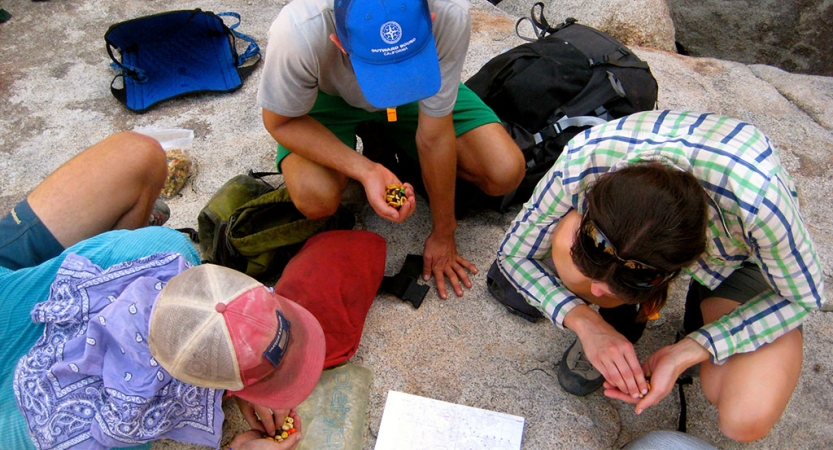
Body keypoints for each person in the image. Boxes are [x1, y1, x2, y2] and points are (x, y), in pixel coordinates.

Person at [496, 110, 825, 442]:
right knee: (570, 254)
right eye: (597, 243)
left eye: (637, 276)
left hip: (740, 257)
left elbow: (804, 294)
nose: (596, 289)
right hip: (672, 236)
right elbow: (513, 253)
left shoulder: (760, 202)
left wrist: (696, 347)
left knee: (744, 418)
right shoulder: (588, 155)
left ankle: (700, 306)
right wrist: (585, 321)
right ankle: (623, 318)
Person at [0, 132, 325, 450]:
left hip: (11, 295)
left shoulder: (163, 247)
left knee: (136, 153)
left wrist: (227, 360)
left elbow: (199, 329)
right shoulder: (107, 428)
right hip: (13, 420)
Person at [257, 0, 526, 300]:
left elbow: (435, 136)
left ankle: (386, 132)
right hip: (327, 98)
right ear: (338, 42)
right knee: (315, 197)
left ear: (430, 18)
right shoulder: (299, 30)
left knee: (504, 171)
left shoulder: (450, 11)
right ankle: (374, 136)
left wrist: (444, 230)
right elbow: (280, 122)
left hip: (417, 84)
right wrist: (366, 169)